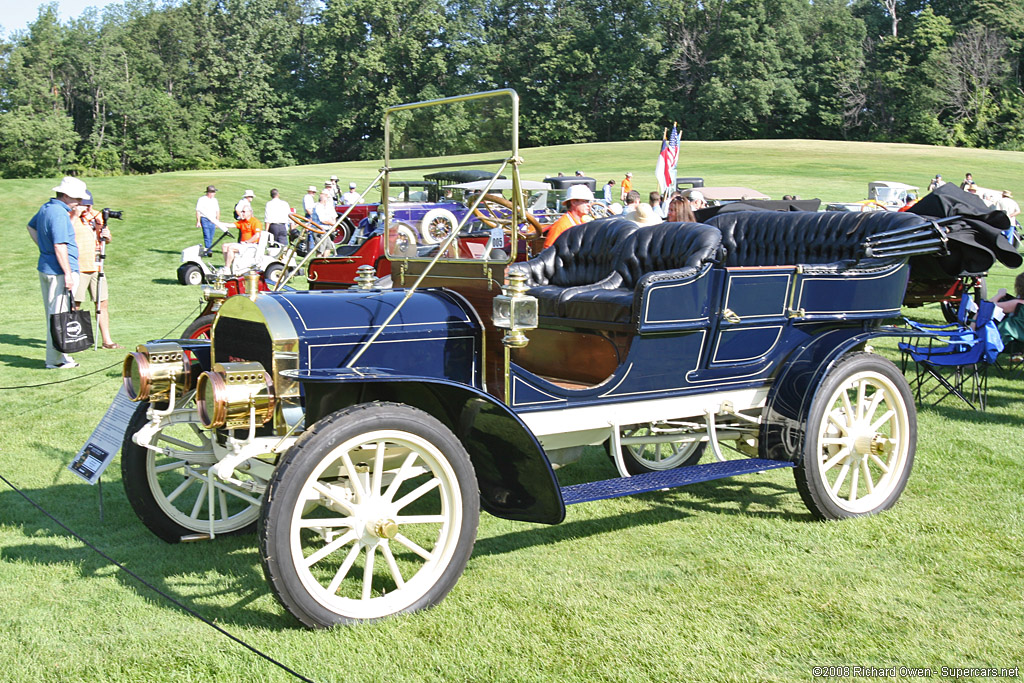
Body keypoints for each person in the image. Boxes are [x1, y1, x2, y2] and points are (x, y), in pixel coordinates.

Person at [28, 176, 88, 369]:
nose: (79, 202)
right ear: (66, 195)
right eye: (77, 198)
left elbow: (31, 227)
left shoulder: (47, 207)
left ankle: (62, 356)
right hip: (60, 271)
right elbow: (60, 245)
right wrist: (68, 274)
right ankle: (54, 361)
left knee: (56, 315)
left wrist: (45, 251)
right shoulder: (59, 213)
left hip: (47, 267)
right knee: (59, 317)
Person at [71, 191, 119, 349]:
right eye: (85, 204)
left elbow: (107, 239)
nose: (88, 207)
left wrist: (107, 236)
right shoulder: (72, 217)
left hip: (97, 266)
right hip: (79, 267)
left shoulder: (97, 216)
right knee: (75, 304)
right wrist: (75, 215)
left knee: (102, 303)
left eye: (89, 204)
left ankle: (107, 341)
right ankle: (74, 338)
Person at [543, 185, 594, 249]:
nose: (589, 205)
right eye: (585, 201)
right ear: (573, 202)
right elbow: (547, 251)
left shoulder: (583, 222)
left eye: (588, 202)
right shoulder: (561, 226)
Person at [222, 206, 264, 272]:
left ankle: (227, 268)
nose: (242, 213)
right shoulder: (242, 222)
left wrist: (247, 242)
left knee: (231, 248)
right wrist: (218, 223)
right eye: (242, 211)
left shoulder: (255, 222)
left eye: (244, 212)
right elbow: (231, 225)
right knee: (224, 246)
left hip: (251, 245)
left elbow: (257, 235)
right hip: (244, 245)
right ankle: (228, 266)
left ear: (250, 212)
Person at [195, 185, 220, 255]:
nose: (214, 194)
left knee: (211, 236)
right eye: (213, 192)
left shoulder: (215, 200)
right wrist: (198, 221)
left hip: (213, 219)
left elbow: (217, 211)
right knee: (207, 235)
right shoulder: (202, 199)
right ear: (209, 192)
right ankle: (209, 250)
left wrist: (217, 221)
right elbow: (198, 211)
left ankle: (208, 249)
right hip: (205, 219)